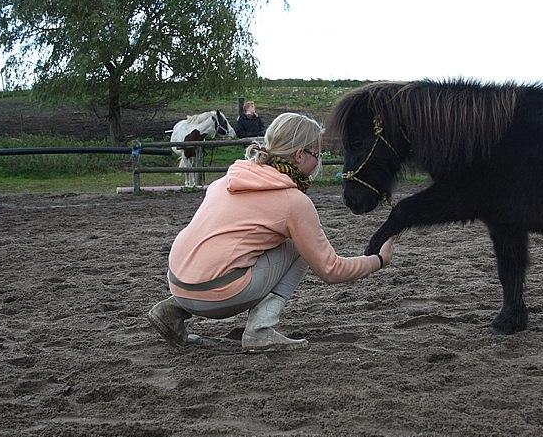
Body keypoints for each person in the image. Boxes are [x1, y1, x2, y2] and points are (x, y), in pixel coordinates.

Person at [148, 112, 395, 353]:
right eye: (316, 155)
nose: (317, 162)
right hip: (217, 296)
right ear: (299, 155)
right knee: (298, 246)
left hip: (177, 284)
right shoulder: (293, 202)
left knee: (225, 242)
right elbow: (330, 270)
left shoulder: (227, 180)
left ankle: (172, 310)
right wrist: (378, 261)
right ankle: (260, 329)